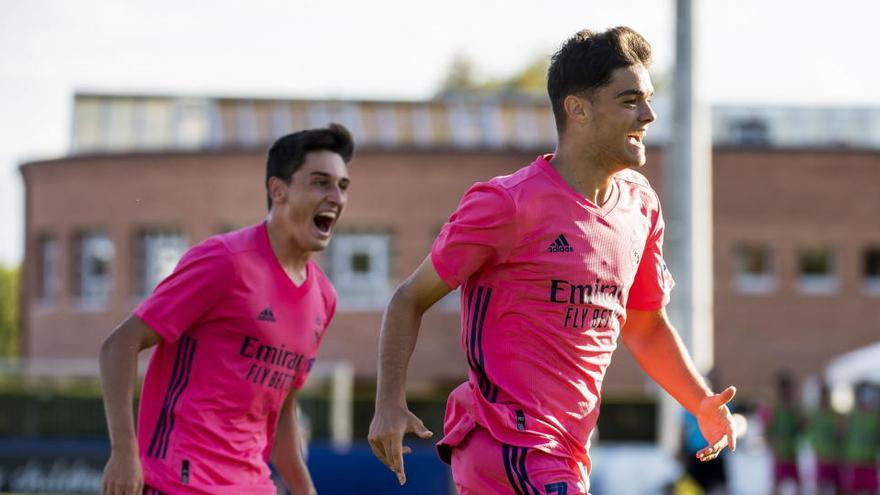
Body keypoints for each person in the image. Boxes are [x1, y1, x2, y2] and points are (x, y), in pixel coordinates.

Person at [368, 27, 736, 494]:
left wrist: (700, 401)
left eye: (647, 99)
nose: (648, 114)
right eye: (630, 100)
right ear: (577, 109)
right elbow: (409, 298)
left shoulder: (640, 207)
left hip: (564, 452)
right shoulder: (507, 203)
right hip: (511, 442)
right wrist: (388, 402)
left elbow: (645, 326)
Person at [99, 124, 354, 495]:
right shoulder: (224, 261)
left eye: (343, 186)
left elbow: (282, 415)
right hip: (176, 482)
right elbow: (118, 346)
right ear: (278, 190)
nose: (336, 196)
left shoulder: (324, 298)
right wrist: (124, 453)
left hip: (253, 486)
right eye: (320, 182)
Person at [764, 371, 803, 494]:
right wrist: (772, 444)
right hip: (780, 454)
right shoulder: (775, 408)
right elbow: (768, 429)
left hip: (792, 453)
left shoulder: (794, 408)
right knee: (777, 485)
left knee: (796, 484)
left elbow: (801, 427)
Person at [841, 382, 879, 495]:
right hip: (855, 462)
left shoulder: (876, 417)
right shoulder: (851, 416)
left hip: (870, 462)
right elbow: (842, 437)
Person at [807, 382, 843, 495]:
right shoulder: (815, 416)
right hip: (821, 458)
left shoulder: (835, 416)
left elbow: (840, 435)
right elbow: (811, 436)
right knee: (821, 486)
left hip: (834, 457)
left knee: (837, 486)